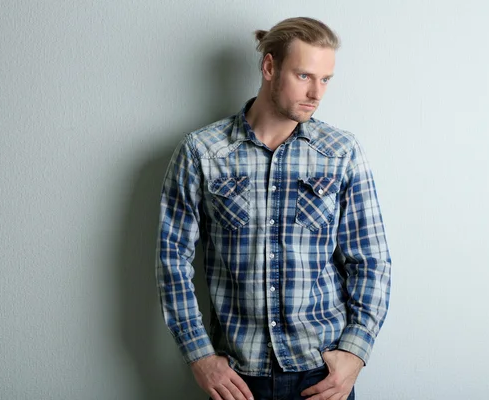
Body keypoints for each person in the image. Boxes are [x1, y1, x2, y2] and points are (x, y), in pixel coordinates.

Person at [156, 17, 391, 400]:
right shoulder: (202, 152)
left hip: (321, 374)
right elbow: (172, 260)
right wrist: (198, 355)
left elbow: (371, 260)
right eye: (304, 76)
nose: (317, 92)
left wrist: (354, 351)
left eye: (326, 79)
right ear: (269, 67)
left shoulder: (341, 152)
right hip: (236, 379)